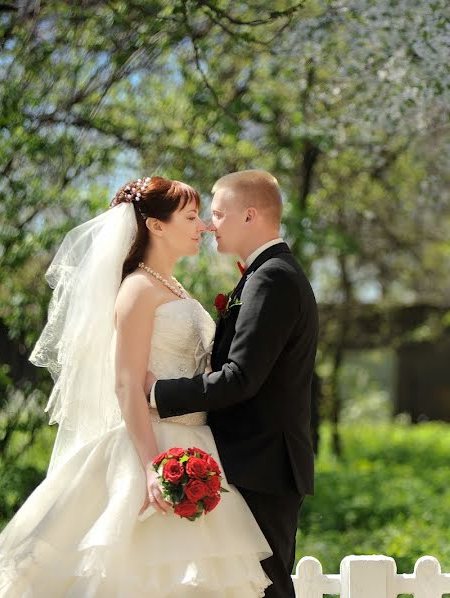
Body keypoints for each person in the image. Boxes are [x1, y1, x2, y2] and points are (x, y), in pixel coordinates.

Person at [0, 176, 272, 597]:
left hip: (197, 441)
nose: (204, 227)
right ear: (156, 225)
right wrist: (150, 467)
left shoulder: (172, 287)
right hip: (153, 443)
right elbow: (125, 385)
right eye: (192, 217)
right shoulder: (137, 288)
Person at [147, 170, 318, 598]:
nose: (209, 224)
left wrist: (156, 393)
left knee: (265, 589)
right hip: (252, 461)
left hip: (262, 464)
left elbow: (241, 378)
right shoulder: (263, 275)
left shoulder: (272, 277)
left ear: (250, 215)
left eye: (219, 214)